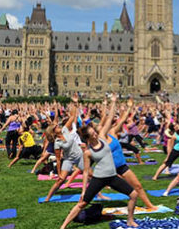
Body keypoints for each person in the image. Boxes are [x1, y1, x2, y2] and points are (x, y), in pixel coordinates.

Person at [60, 94, 138, 229]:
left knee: (134, 194)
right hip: (99, 178)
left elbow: (109, 119)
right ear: (88, 138)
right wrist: (83, 190)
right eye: (92, 134)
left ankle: (130, 220)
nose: (95, 134)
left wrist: (113, 102)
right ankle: (64, 226)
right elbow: (85, 172)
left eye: (94, 132)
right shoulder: (88, 152)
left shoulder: (102, 137)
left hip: (112, 177)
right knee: (82, 204)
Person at [44, 95, 84, 202]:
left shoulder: (65, 129)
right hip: (69, 159)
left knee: (90, 174)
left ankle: (98, 193)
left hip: (79, 155)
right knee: (60, 181)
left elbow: (73, 116)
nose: (58, 126)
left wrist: (75, 104)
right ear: (53, 132)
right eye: (56, 127)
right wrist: (59, 174)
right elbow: (58, 159)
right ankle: (48, 198)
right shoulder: (57, 143)